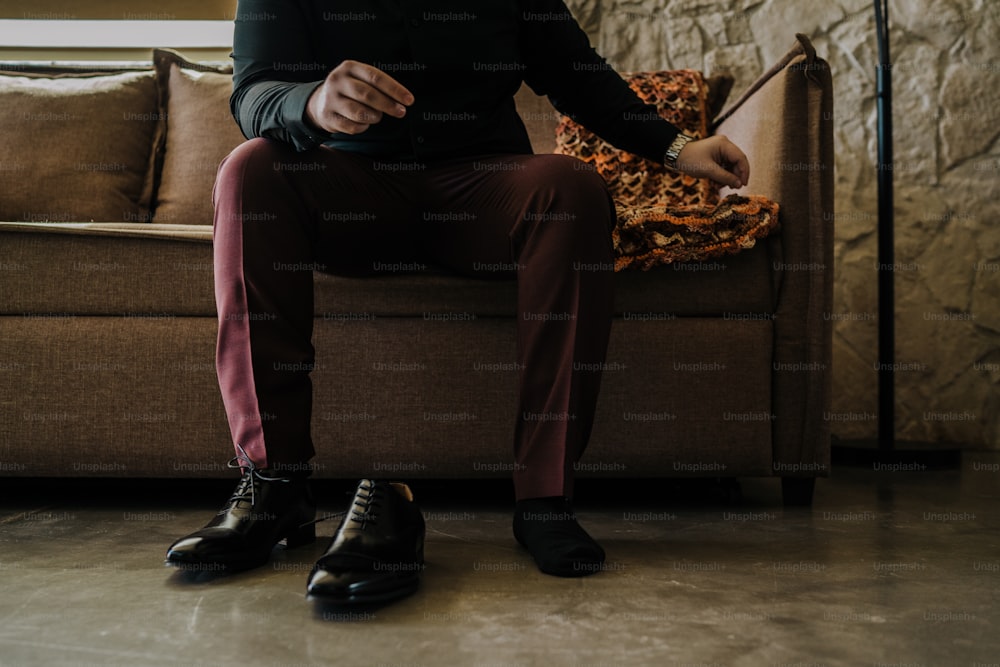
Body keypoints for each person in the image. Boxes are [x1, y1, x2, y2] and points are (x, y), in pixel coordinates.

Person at [165, 0, 749, 605]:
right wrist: (310, 103)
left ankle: (545, 501)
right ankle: (272, 489)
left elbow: (576, 73)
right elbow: (254, 93)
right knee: (248, 169)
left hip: (483, 193)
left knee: (571, 185)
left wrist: (679, 147)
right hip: (349, 195)